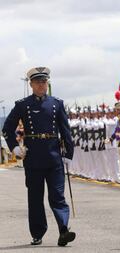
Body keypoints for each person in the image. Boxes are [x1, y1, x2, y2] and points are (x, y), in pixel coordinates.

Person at [2, 67, 76, 246]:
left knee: (57, 196)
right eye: (38, 82)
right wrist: (14, 147)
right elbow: (7, 128)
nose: (42, 85)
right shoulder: (23, 105)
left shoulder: (56, 104)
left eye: (44, 81)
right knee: (35, 198)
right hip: (33, 157)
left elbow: (66, 131)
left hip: (54, 157)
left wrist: (68, 154)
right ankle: (37, 232)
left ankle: (63, 230)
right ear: (31, 84)